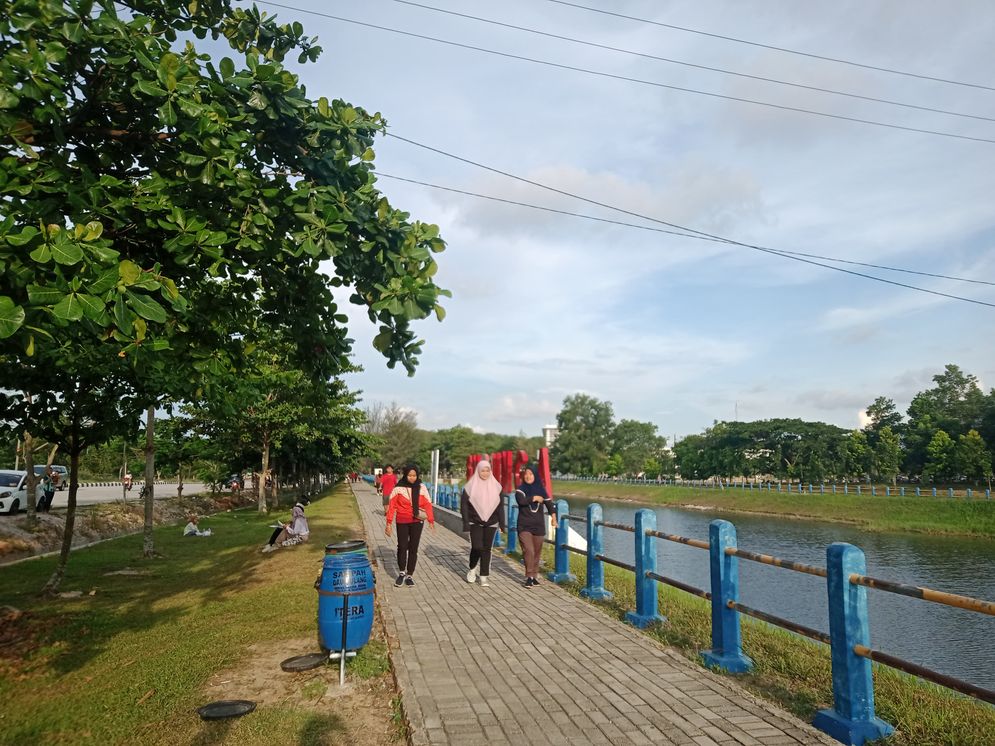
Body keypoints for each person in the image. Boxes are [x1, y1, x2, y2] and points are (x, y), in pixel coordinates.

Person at [385, 465, 436, 587]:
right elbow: (392, 506)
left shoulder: (422, 487)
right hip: (402, 520)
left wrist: (431, 520)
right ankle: (401, 573)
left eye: (414, 475)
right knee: (402, 547)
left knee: (413, 548)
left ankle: (409, 575)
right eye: (410, 475)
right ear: (405, 475)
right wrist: (388, 523)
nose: (412, 478)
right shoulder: (398, 488)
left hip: (417, 521)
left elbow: (428, 504)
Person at [460, 459, 506, 588]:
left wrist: (502, 524)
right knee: (477, 547)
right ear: (478, 471)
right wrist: (466, 522)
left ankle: (484, 575)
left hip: (492, 522)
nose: (485, 473)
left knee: (487, 549)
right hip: (475, 521)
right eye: (482, 471)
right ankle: (472, 568)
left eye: (487, 471)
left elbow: (500, 507)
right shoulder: (470, 486)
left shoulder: (497, 487)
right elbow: (464, 505)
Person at [515, 465, 556, 587]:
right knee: (529, 550)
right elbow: (521, 502)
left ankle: (534, 576)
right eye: (526, 474)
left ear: (535, 476)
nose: (528, 476)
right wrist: (534, 498)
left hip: (538, 525)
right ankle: (529, 577)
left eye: (531, 474)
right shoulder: (520, 490)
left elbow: (549, 505)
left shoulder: (541, 490)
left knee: (537, 552)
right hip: (524, 526)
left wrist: (553, 518)